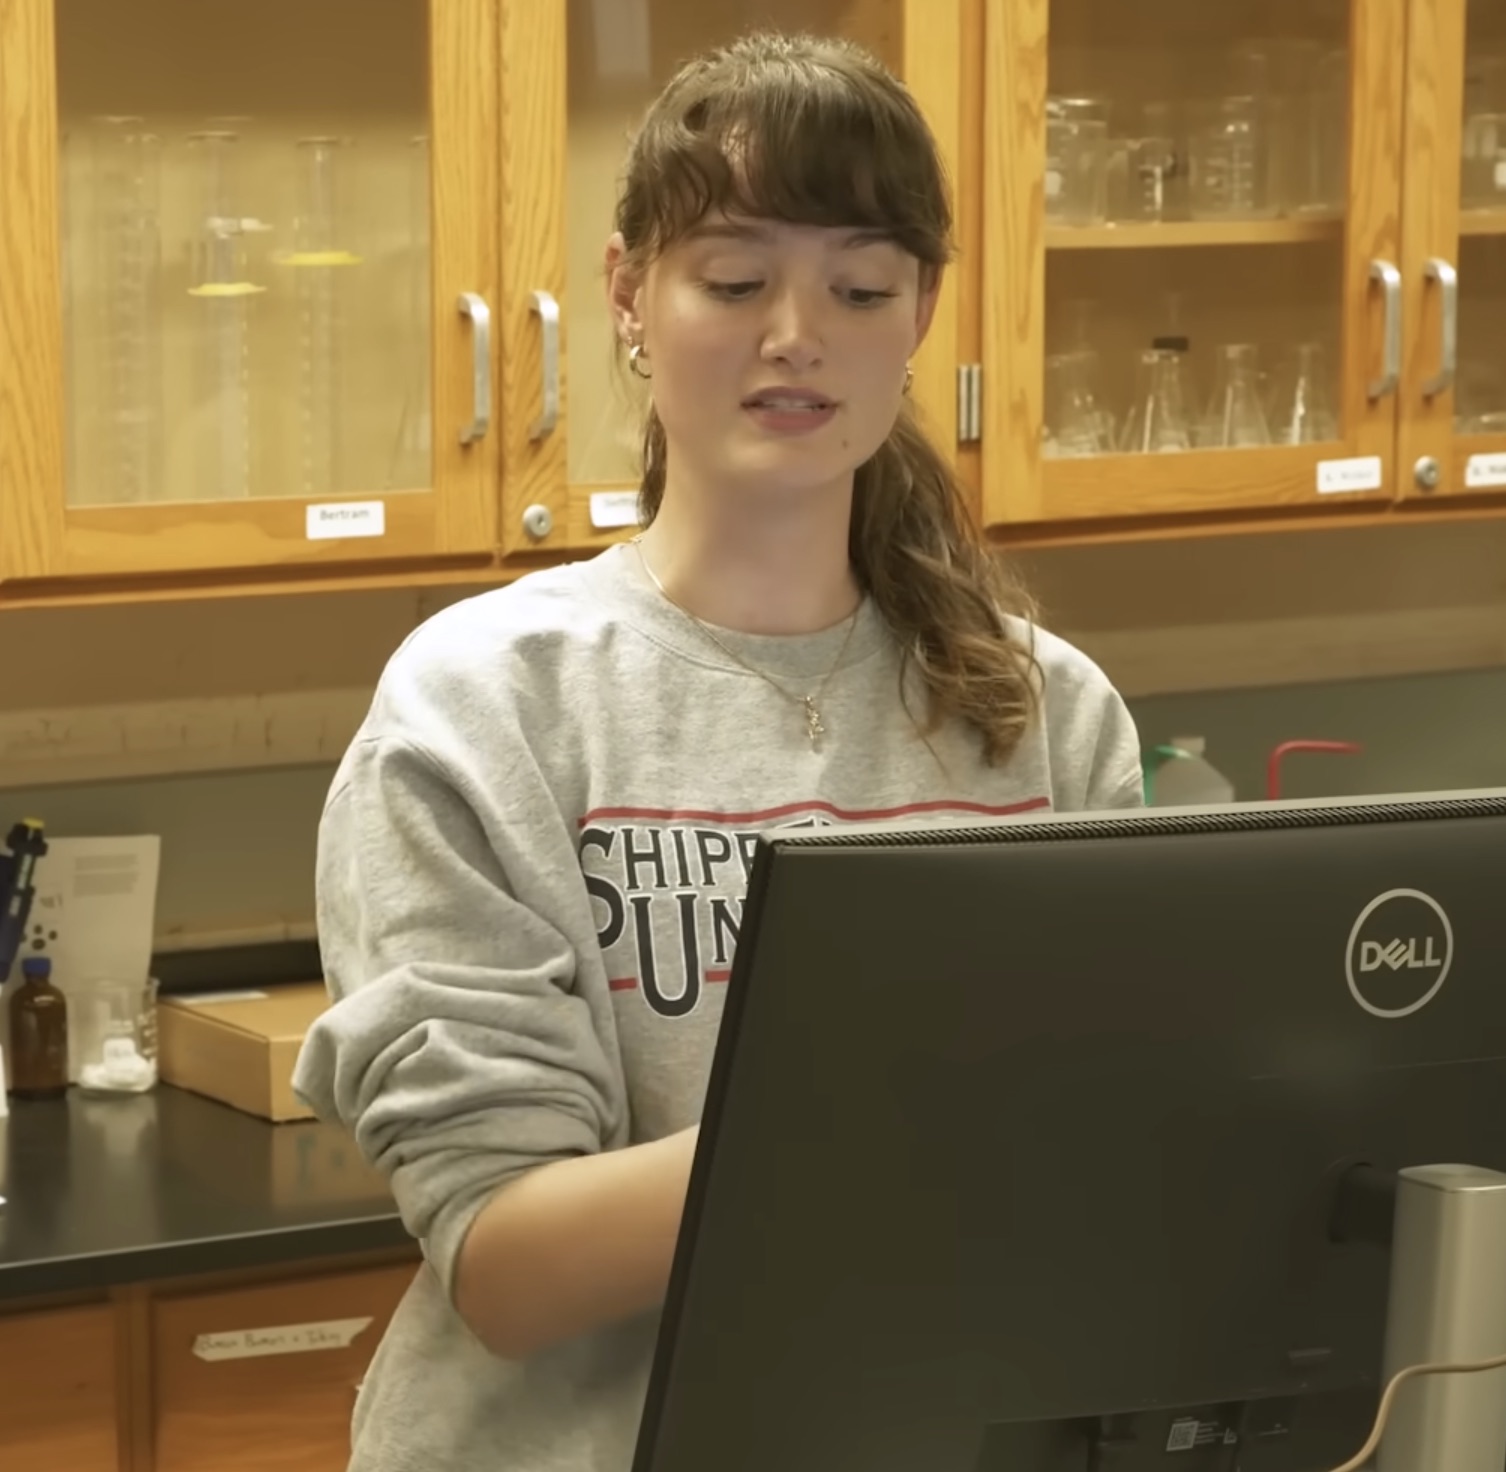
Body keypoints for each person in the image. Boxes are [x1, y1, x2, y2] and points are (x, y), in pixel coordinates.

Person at [292, 28, 1144, 1472]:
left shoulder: (1044, 713)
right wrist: (895, 1112)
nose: (796, 333)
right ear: (629, 294)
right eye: (736, 280)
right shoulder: (486, 703)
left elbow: (1113, 1162)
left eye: (859, 287)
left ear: (921, 312)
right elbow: (506, 1264)